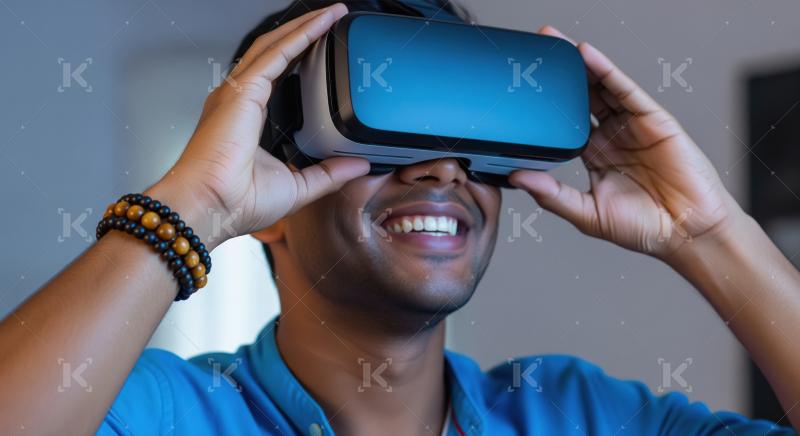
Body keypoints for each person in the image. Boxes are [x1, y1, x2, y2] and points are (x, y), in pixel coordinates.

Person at [0, 1, 798, 434]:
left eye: (467, 142)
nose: (441, 168)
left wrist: (709, 234)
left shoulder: (579, 412)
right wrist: (194, 207)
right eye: (381, 135)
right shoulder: (161, 412)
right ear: (267, 200)